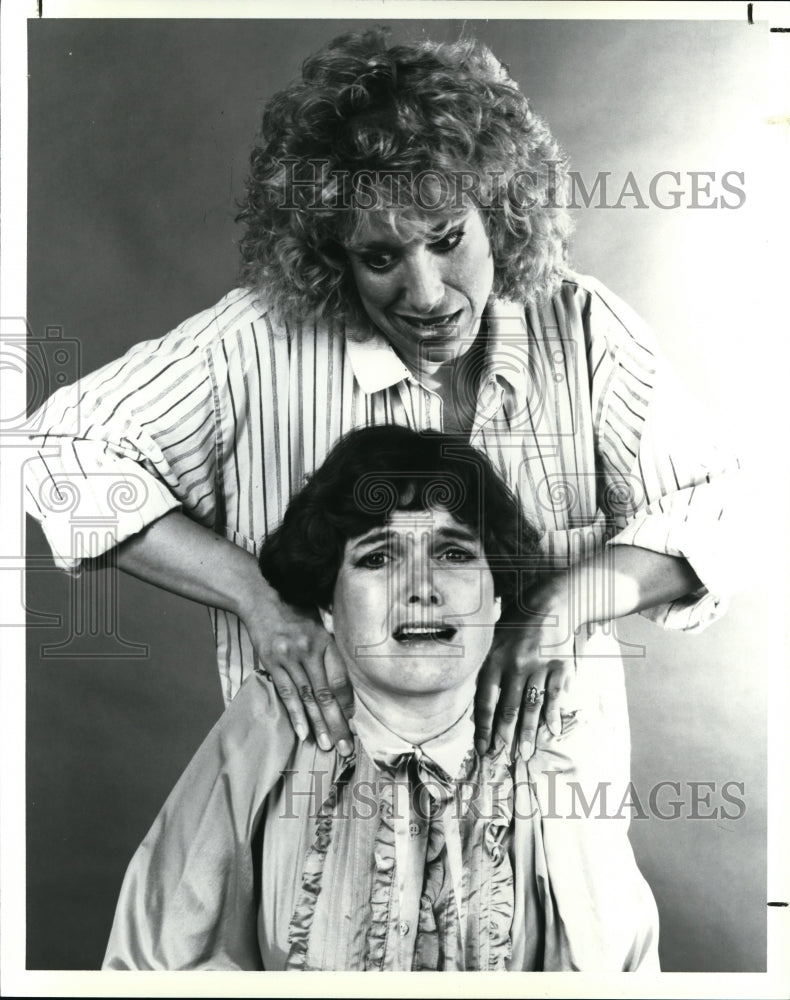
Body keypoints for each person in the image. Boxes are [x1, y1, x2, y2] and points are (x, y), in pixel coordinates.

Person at [24, 29, 738, 770]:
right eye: (380, 257)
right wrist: (257, 601)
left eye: (448, 238)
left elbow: (719, 509)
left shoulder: (584, 329)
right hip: (321, 816)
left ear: (501, 211)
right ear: (333, 255)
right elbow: (53, 459)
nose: (426, 296)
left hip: (545, 819)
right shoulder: (250, 342)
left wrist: (563, 609)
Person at [102, 426, 659, 972]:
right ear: (324, 604)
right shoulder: (268, 724)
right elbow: (162, 963)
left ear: (498, 596)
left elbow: (611, 968)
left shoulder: (548, 740)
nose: (421, 587)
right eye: (377, 558)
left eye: (455, 555)